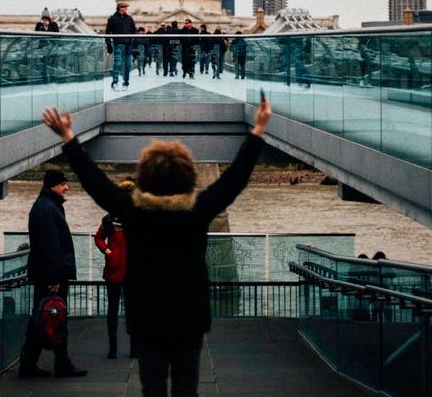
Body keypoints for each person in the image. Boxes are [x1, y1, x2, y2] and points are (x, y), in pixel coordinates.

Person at [41, 96, 272, 397]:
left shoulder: (133, 210)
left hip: (146, 316)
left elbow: (95, 181)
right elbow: (234, 180)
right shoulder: (198, 210)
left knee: (152, 389)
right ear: (188, 176)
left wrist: (68, 138)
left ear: (145, 176)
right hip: (190, 317)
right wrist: (258, 130)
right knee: (187, 389)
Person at [18, 169, 87, 379]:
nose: (67, 187)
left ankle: (34, 363)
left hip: (46, 273)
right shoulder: (48, 208)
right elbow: (51, 245)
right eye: (64, 183)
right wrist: (54, 277)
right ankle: (56, 364)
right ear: (53, 185)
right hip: (51, 277)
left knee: (45, 317)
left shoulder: (46, 205)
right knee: (52, 317)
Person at [93, 180, 136, 360]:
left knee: (119, 310)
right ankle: (122, 348)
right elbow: (99, 238)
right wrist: (108, 250)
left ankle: (124, 349)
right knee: (121, 310)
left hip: (128, 270)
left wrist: (107, 250)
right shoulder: (110, 219)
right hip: (117, 269)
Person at [105, 3, 137, 90]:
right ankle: (115, 82)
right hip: (118, 43)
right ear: (120, 8)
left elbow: (134, 31)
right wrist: (108, 44)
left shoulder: (129, 19)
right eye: (125, 7)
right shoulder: (112, 19)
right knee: (118, 63)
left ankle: (126, 83)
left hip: (128, 45)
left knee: (127, 65)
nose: (126, 9)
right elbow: (107, 32)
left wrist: (135, 44)